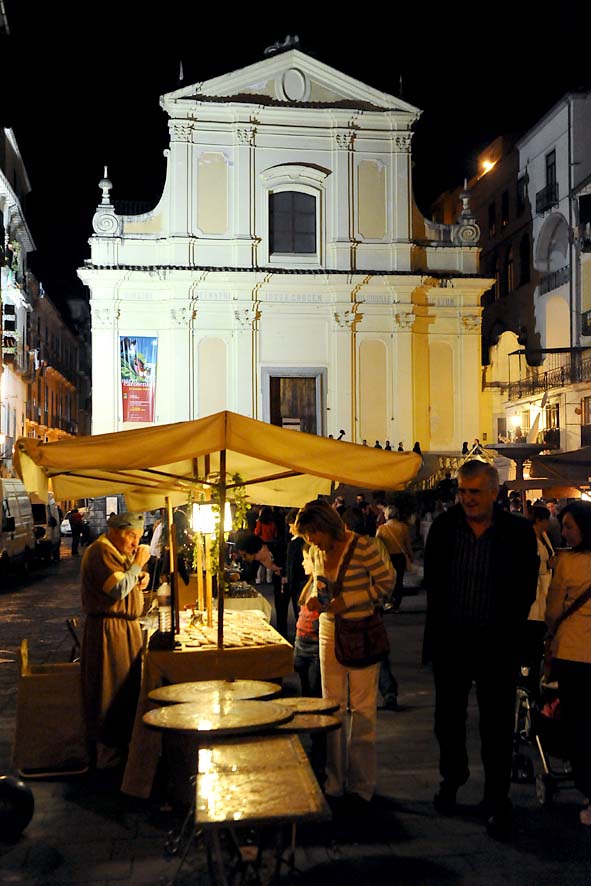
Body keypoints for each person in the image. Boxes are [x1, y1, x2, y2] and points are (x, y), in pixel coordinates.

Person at [423, 460, 538, 840]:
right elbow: (434, 583)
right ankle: (452, 777)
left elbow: (526, 586)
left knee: (496, 724)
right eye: (462, 491)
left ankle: (496, 796)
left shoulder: (517, 533)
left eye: (474, 491)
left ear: (494, 492)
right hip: (452, 642)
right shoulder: (444, 528)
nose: (467, 498)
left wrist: (509, 630)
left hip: (496, 643)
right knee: (448, 719)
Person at [293, 500, 394, 807]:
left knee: (362, 710)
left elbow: (387, 584)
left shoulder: (365, 547)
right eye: (307, 536)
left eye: (313, 534)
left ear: (326, 526)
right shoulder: (315, 552)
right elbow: (321, 586)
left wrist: (348, 600)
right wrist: (315, 599)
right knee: (330, 707)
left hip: (361, 631)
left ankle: (362, 785)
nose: (312, 541)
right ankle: (334, 780)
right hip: (328, 630)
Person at [80, 512, 151, 771]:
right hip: (110, 632)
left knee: (126, 688)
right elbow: (117, 589)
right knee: (110, 688)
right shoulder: (100, 552)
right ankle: (108, 756)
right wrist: (138, 566)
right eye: (131, 536)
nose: (135, 543)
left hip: (125, 630)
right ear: (116, 531)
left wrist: (140, 579)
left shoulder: (118, 552)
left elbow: (127, 583)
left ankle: (121, 748)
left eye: (138, 538)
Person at [545, 501, 591, 827]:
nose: (563, 532)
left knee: (579, 723)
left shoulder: (566, 563)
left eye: (569, 527)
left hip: (574, 654)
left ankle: (588, 790)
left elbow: (552, 609)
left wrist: (547, 638)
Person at [522, 506, 555, 696]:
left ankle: (533, 676)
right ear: (540, 520)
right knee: (533, 639)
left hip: (546, 591)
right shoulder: (529, 539)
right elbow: (529, 563)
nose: (549, 523)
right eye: (547, 519)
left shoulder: (544, 536)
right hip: (535, 593)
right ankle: (528, 678)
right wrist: (546, 565)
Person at [236, 533, 286, 636]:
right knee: (280, 609)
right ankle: (283, 637)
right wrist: (236, 576)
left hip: (294, 578)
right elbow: (250, 574)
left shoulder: (276, 548)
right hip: (279, 580)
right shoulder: (256, 558)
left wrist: (284, 573)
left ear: (251, 550)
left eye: (244, 555)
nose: (244, 559)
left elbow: (289, 564)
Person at [377, 504, 414, 612]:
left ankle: (388, 602)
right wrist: (411, 556)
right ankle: (396, 603)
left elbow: (377, 544)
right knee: (399, 581)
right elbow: (407, 544)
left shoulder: (382, 528)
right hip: (400, 557)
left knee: (387, 581)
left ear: (387, 515)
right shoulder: (403, 527)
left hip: (387, 558)